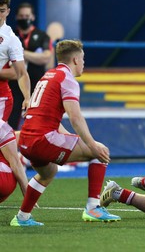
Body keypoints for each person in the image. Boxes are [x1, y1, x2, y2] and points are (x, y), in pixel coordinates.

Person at [10, 39, 120, 227]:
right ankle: (93, 208)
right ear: (76, 59)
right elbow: (75, 117)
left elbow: (48, 116)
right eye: (83, 59)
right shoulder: (67, 79)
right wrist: (92, 146)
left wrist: (72, 141)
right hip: (42, 140)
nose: (84, 63)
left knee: (48, 173)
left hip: (27, 141)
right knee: (100, 152)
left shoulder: (49, 75)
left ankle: (22, 217)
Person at [8, 2, 53, 129]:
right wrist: (33, 56)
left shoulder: (42, 36)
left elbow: (45, 57)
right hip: (14, 86)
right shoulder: (10, 36)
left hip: (37, 85)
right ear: (16, 17)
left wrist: (21, 52)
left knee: (38, 122)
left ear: (33, 17)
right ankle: (10, 148)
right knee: (11, 121)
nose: (24, 18)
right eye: (21, 16)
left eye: (27, 15)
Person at [0, 0, 31, 122]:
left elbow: (21, 73)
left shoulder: (11, 39)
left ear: (8, 11)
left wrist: (27, 98)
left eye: (1, 11)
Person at [0, 119, 30, 203]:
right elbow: (15, 162)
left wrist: (27, 193)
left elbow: (15, 162)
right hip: (7, 182)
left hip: (4, 178)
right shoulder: (3, 126)